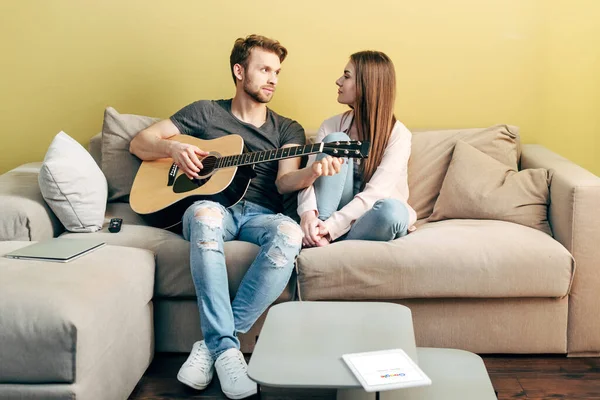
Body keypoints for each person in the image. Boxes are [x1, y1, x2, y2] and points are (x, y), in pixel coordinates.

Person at [129, 35, 341, 399]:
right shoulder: (205, 113)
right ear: (239, 71)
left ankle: (215, 347)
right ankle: (229, 351)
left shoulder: (285, 128)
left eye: (277, 71)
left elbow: (286, 180)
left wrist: (313, 172)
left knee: (289, 235)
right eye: (264, 69)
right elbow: (139, 143)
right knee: (206, 214)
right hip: (214, 209)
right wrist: (173, 147)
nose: (273, 78)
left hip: (261, 215)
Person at [298, 51, 418, 247]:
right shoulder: (331, 126)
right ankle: (322, 238)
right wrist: (309, 215)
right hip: (328, 216)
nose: (338, 81)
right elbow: (308, 178)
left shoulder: (398, 134)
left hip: (367, 220)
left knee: (392, 211)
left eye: (346, 76)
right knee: (337, 140)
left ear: (366, 84)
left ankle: (328, 238)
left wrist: (332, 227)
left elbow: (377, 192)